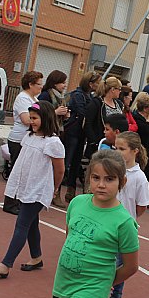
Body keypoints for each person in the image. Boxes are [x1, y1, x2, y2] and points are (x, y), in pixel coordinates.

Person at [52, 150, 139, 298]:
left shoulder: (123, 222)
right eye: (96, 178)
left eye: (109, 179)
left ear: (122, 182)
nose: (101, 184)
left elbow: (131, 266)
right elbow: (70, 237)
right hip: (62, 283)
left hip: (90, 291)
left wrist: (105, 282)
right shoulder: (77, 204)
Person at [0, 101, 65, 278]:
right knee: (31, 223)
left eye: (35, 118)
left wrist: (54, 188)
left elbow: (59, 169)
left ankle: (5, 265)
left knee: (22, 224)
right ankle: (36, 257)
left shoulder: (53, 142)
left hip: (37, 190)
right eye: (30, 118)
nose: (32, 121)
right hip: (26, 186)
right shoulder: (29, 137)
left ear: (45, 118)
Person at [105, 132, 149, 298]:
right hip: (106, 223)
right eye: (116, 148)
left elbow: (141, 206)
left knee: (119, 262)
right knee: (105, 259)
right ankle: (101, 289)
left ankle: (116, 295)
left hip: (124, 227)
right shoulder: (113, 171)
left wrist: (128, 218)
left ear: (135, 151)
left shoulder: (139, 178)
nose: (117, 152)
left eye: (122, 149)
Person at [64, 71, 101, 203]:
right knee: (67, 161)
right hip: (73, 132)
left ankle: (71, 189)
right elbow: (82, 111)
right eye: (96, 83)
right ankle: (57, 190)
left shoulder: (88, 96)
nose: (98, 85)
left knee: (75, 162)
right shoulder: (78, 95)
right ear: (90, 84)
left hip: (81, 133)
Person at [39, 70, 70, 207]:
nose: (64, 85)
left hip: (58, 132)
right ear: (55, 82)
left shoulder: (61, 97)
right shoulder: (45, 95)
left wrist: (65, 115)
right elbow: (40, 112)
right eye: (62, 82)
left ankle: (54, 192)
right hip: (47, 133)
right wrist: (55, 112)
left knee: (57, 165)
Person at [84, 77, 123, 157]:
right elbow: (88, 123)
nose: (120, 91)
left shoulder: (119, 104)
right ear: (112, 89)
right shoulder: (97, 103)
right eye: (119, 89)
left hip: (116, 143)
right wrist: (94, 142)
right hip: (100, 141)